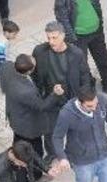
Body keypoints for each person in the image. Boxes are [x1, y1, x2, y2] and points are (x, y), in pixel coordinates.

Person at [32, 21, 95, 159]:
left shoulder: (76, 53)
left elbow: (85, 76)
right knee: (50, 131)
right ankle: (52, 154)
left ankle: (78, 150)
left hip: (71, 99)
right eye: (48, 38)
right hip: (51, 100)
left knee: (76, 128)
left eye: (54, 38)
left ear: (63, 36)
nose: (51, 42)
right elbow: (35, 76)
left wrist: (85, 98)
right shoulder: (39, 51)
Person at [55, 0, 107, 96]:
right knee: (82, 65)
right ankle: (89, 87)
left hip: (96, 31)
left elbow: (96, 6)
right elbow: (62, 19)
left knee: (103, 60)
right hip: (78, 36)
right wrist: (72, 38)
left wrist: (100, 24)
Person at [2, 54, 68, 159]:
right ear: (29, 71)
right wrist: (55, 94)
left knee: (18, 139)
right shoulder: (26, 92)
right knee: (35, 150)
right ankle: (36, 171)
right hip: (28, 127)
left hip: (15, 117)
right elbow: (41, 106)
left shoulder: (8, 68)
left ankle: (17, 153)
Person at [0, 20, 20, 87]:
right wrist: (6, 63)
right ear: (7, 33)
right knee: (4, 75)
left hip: (2, 60)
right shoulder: (1, 42)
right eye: (14, 34)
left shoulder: (4, 37)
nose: (15, 36)